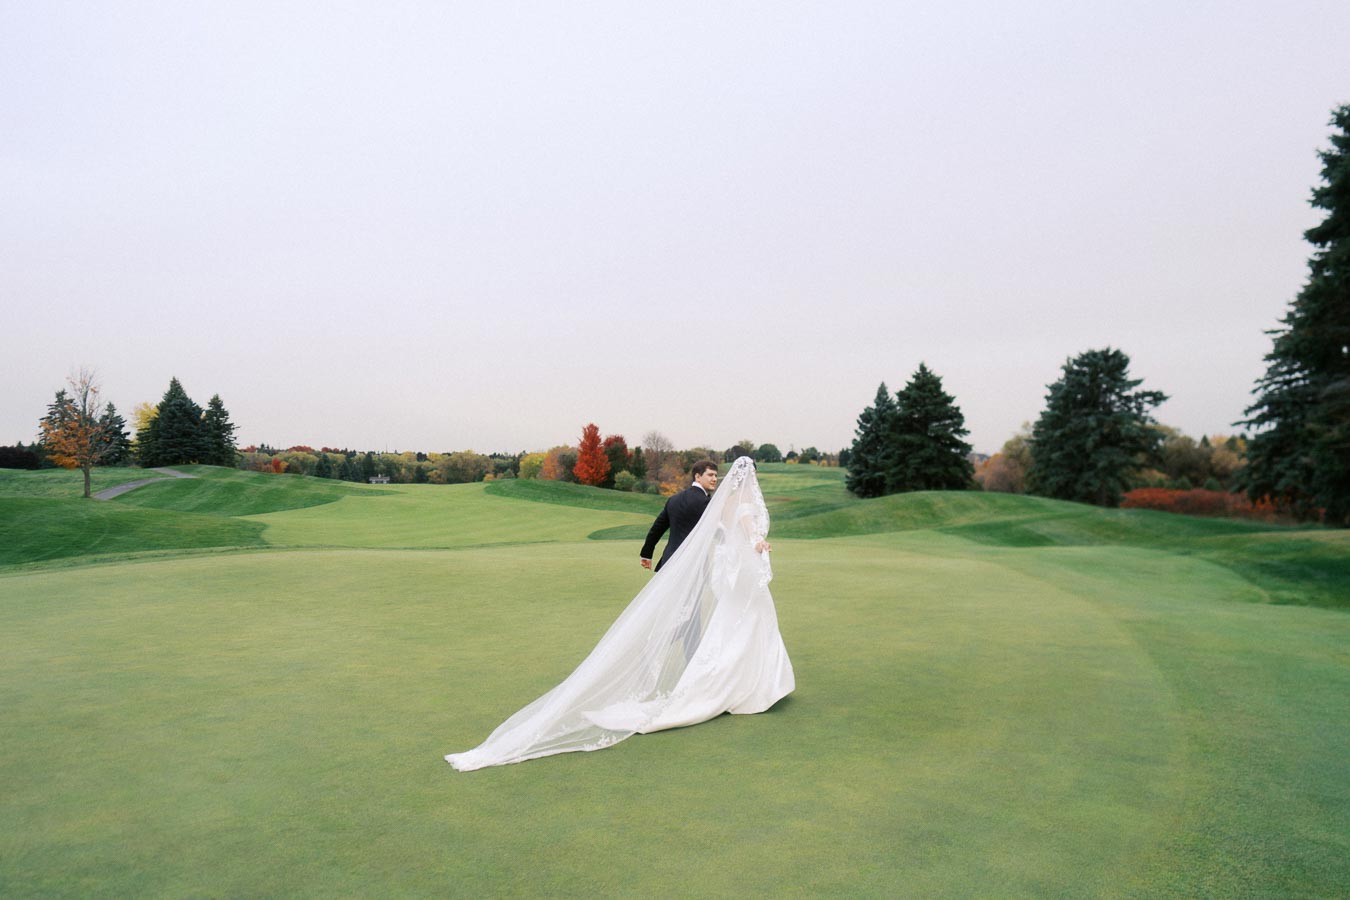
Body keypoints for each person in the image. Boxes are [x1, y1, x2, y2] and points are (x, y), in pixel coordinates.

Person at [445, 456, 793, 771]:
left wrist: (646, 553)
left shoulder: (680, 499)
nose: (717, 479)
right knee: (688, 624)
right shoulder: (710, 503)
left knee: (690, 624)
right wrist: (753, 544)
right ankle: (672, 663)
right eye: (711, 474)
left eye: (720, 474)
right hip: (690, 573)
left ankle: (684, 662)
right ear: (699, 475)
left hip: (672, 570)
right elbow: (721, 533)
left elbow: (662, 526)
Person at [641, 458, 717, 571]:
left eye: (715, 475)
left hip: (669, 562)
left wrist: (646, 554)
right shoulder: (707, 503)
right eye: (710, 475)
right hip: (692, 566)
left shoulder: (674, 499)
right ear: (697, 477)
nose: (714, 479)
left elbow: (657, 529)